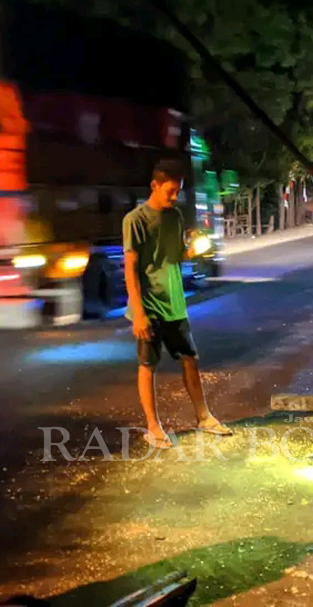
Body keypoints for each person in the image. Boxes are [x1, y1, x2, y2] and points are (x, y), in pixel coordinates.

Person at [123, 159, 232, 449]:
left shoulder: (175, 217)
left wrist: (193, 250)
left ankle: (204, 416)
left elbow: (176, 255)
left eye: (178, 191)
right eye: (169, 191)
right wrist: (138, 314)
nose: (174, 197)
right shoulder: (135, 220)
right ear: (154, 185)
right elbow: (130, 269)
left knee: (190, 358)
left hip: (174, 302)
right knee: (148, 364)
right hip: (149, 304)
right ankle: (153, 427)